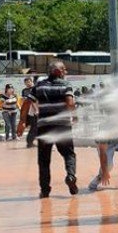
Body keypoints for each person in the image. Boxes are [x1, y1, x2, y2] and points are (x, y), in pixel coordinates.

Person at [17, 61, 78, 199]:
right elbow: (70, 102)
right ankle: (71, 176)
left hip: (44, 127)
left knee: (44, 160)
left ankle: (45, 190)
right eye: (64, 70)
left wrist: (22, 122)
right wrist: (74, 116)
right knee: (69, 155)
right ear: (59, 71)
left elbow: (26, 103)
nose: (66, 72)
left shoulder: (39, 85)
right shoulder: (66, 85)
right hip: (62, 126)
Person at [21, 77, 39, 147]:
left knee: (35, 127)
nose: (27, 83)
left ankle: (31, 141)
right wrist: (36, 110)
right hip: (32, 111)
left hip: (34, 111)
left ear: (32, 81)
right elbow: (32, 101)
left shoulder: (35, 89)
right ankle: (29, 142)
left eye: (29, 82)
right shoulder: (32, 90)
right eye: (26, 82)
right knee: (34, 127)